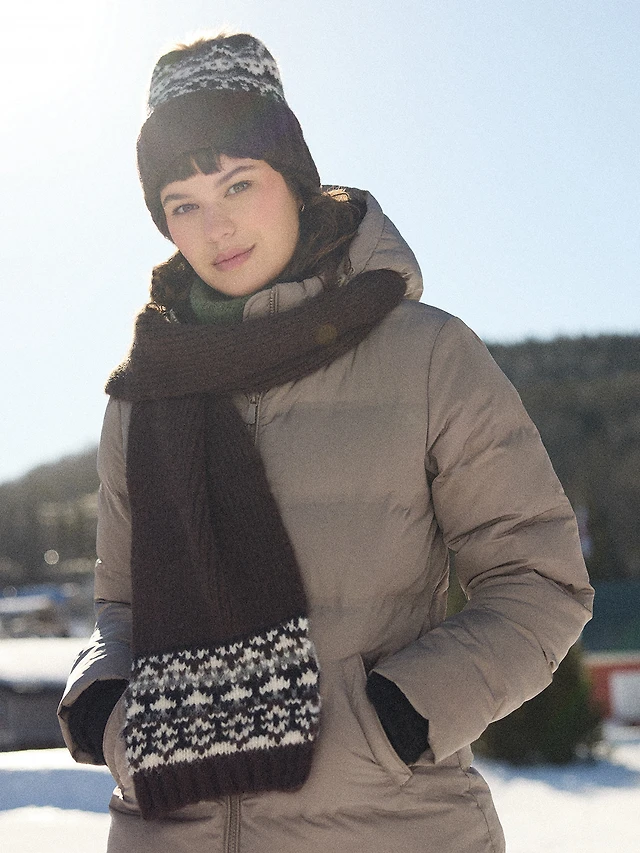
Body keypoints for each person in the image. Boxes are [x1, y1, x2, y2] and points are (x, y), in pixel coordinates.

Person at [58, 33, 593, 853]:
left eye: (239, 183)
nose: (216, 225)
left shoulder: (426, 355)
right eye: (182, 203)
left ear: (295, 179)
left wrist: (400, 718)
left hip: (387, 827)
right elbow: (121, 607)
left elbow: (539, 579)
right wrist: (105, 705)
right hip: (171, 828)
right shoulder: (143, 392)